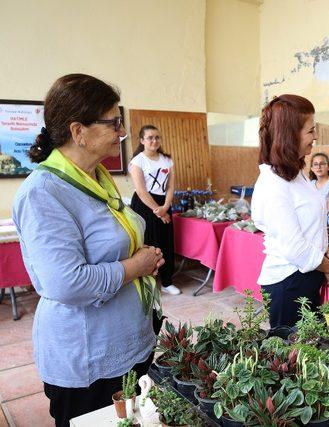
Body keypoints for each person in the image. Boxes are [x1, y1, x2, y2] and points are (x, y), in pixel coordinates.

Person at [12, 74, 164, 427]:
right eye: (113, 122)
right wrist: (135, 266)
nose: (122, 131)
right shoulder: (44, 193)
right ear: (78, 130)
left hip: (129, 341)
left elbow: (112, 242)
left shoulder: (97, 175)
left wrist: (144, 257)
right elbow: (66, 283)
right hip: (89, 359)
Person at [251, 95, 329, 327]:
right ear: (290, 135)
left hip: (307, 275)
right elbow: (295, 247)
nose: (315, 136)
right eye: (310, 131)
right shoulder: (273, 183)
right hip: (289, 283)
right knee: (292, 355)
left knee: (309, 350)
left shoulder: (295, 175)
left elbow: (309, 227)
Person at [129, 125, 179, 295]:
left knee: (166, 241)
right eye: (150, 137)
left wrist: (166, 206)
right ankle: (147, 283)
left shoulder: (167, 160)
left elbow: (171, 187)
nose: (154, 140)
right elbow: (141, 191)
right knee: (148, 243)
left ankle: (167, 281)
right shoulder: (137, 161)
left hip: (164, 203)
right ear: (142, 140)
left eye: (157, 137)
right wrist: (159, 211)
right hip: (144, 205)